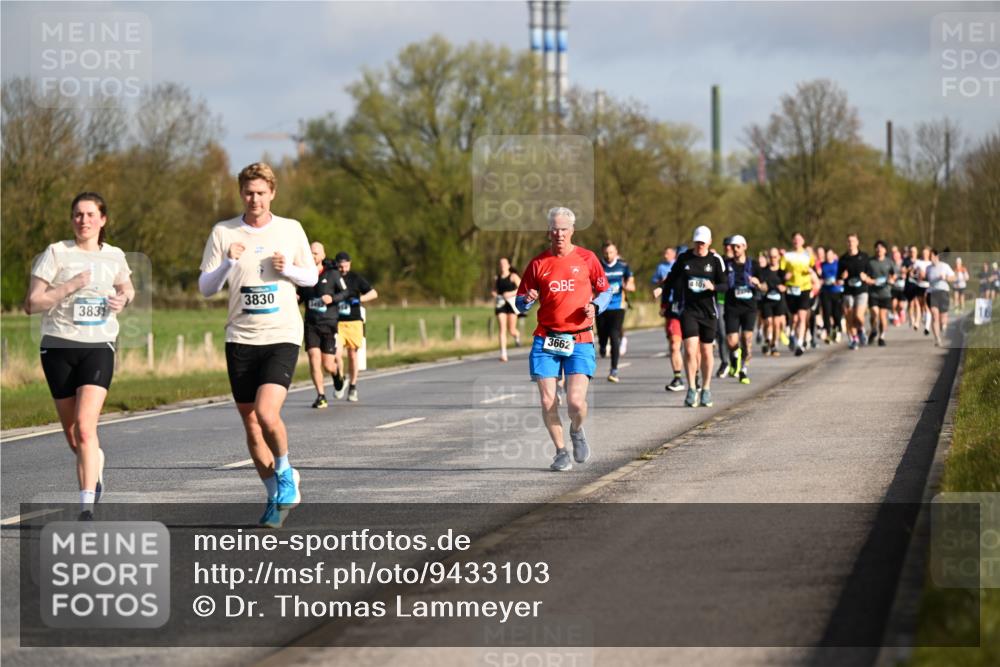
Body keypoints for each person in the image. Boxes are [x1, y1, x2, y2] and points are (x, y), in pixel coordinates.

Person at [199, 162, 315, 528]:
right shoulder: (223, 232)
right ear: (241, 194)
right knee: (251, 425)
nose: (255, 199)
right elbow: (206, 288)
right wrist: (229, 263)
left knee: (267, 413)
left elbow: (310, 276)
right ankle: (272, 499)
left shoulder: (290, 229)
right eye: (249, 192)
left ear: (272, 194)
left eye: (261, 192)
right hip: (240, 337)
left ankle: (285, 472)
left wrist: (289, 270)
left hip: (281, 334)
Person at [25, 193, 135, 521]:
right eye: (77, 214)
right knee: (75, 436)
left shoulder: (114, 256)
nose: (83, 220)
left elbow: (127, 288)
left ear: (102, 220)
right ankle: (94, 464)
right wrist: (68, 286)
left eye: (89, 214)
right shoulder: (57, 254)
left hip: (98, 346)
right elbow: (32, 303)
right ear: (71, 219)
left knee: (87, 428)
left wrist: (123, 299)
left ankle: (86, 506)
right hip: (57, 348)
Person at [515, 206, 610, 472]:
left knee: (575, 402)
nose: (559, 233)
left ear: (572, 230)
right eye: (555, 228)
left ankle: (577, 430)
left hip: (579, 338)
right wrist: (527, 300)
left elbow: (605, 290)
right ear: (548, 231)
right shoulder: (538, 264)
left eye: (564, 228)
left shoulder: (588, 259)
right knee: (548, 401)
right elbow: (519, 303)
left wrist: (596, 306)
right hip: (546, 339)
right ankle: (560, 452)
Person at [663, 226, 727, 408]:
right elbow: (672, 278)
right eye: (697, 242)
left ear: (709, 242)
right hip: (689, 311)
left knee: (706, 351)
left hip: (709, 311)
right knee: (690, 350)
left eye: (703, 242)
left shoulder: (715, 260)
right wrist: (664, 294)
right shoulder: (684, 258)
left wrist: (713, 287)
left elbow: (725, 285)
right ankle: (692, 389)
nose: (699, 245)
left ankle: (706, 389)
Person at [298, 242, 351, 408]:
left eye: (315, 253)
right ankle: (321, 395)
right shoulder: (303, 275)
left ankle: (337, 375)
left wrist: (332, 299)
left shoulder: (333, 274)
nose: (312, 256)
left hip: (328, 323)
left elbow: (346, 292)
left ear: (322, 255)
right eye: (310, 253)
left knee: (328, 364)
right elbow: (298, 295)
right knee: (314, 359)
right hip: (311, 323)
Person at [333, 252, 378, 402]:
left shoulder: (355, 278)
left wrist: (359, 299)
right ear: (336, 265)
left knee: (352, 355)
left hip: (354, 322)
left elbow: (373, 293)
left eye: (345, 266)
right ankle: (340, 380)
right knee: (336, 355)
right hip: (336, 321)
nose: (343, 269)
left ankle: (352, 386)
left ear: (350, 264)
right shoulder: (333, 277)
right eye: (340, 266)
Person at [723, 235, 759, 385]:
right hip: (732, 306)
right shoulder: (726, 264)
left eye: (738, 247)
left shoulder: (754, 265)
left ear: (745, 246)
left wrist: (758, 283)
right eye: (733, 247)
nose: (735, 250)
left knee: (747, 340)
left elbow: (764, 286)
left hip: (749, 307)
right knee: (732, 342)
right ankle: (734, 357)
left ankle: (743, 370)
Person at [597, 242, 635, 382]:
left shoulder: (623, 266)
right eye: (606, 253)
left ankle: (614, 370)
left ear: (616, 252)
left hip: (618, 306)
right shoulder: (598, 265)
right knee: (602, 334)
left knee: (614, 335)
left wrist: (627, 286)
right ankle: (601, 345)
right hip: (601, 306)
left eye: (611, 252)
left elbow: (632, 284)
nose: (608, 255)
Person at [781, 232, 819, 356]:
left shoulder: (808, 255)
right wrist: (784, 277)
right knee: (794, 318)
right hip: (791, 289)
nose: (797, 241)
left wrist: (812, 272)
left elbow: (816, 269)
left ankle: (800, 343)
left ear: (803, 241)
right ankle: (792, 334)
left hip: (805, 288)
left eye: (799, 239)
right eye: (795, 239)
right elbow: (780, 272)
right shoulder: (787, 256)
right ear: (792, 241)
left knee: (802, 317)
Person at [654, 246, 684, 392]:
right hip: (674, 310)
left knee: (693, 350)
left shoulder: (699, 270)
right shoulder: (672, 272)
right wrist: (664, 303)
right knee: (674, 345)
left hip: (694, 311)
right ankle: (677, 378)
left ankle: (696, 377)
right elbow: (665, 285)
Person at [839, 233, 870, 350]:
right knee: (849, 317)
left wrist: (865, 277)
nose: (850, 243)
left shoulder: (864, 257)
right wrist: (842, 276)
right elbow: (838, 277)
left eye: (852, 241)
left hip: (862, 290)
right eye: (848, 241)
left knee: (858, 316)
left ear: (857, 242)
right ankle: (854, 339)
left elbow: (870, 274)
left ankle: (861, 329)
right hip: (848, 291)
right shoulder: (843, 259)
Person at [865, 240, 895, 347]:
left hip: (885, 293)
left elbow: (894, 274)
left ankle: (882, 337)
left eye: (881, 248)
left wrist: (892, 280)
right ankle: (873, 329)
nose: (879, 250)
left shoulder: (889, 262)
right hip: (873, 293)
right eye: (877, 248)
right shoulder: (870, 262)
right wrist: (870, 280)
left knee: (883, 317)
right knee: (874, 313)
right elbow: (866, 275)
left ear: (885, 250)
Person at [759, 248, 789, 356]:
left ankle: (774, 344)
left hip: (779, 301)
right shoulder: (764, 271)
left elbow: (787, 284)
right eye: (771, 257)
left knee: (777, 324)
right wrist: (774, 286)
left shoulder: (782, 271)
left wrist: (785, 287)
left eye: (775, 257)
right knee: (768, 322)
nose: (773, 259)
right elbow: (762, 285)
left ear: (779, 257)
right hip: (767, 301)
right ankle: (767, 339)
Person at [492, 257, 522, 362]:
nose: (502, 265)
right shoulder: (497, 278)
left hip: (512, 304)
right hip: (501, 304)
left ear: (509, 265)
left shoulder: (513, 276)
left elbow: (522, 288)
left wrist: (510, 293)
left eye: (504, 263)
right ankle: (503, 354)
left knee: (511, 329)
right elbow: (494, 291)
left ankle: (517, 335)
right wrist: (495, 295)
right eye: (500, 263)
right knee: (502, 329)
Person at [925, 249, 955, 347]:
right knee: (934, 315)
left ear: (937, 256)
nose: (930, 258)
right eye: (929, 257)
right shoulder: (928, 268)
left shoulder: (944, 266)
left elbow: (953, 277)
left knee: (943, 317)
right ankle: (937, 338)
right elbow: (926, 279)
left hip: (943, 292)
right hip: (932, 293)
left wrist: (945, 277)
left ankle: (943, 327)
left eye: (932, 256)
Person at [819, 248, 843, 343]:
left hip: (837, 291)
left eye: (830, 254)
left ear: (834, 255)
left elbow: (842, 276)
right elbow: (819, 277)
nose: (828, 256)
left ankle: (837, 331)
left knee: (836, 313)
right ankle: (828, 332)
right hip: (825, 291)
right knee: (826, 313)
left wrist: (839, 281)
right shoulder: (822, 265)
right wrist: (821, 280)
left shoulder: (838, 264)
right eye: (827, 254)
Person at [890, 246, 907, 326]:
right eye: (894, 256)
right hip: (894, 287)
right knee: (893, 304)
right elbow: (889, 275)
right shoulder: (891, 264)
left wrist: (904, 274)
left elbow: (908, 272)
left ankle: (902, 311)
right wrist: (892, 278)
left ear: (900, 256)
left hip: (903, 287)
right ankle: (896, 317)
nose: (895, 257)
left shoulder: (904, 263)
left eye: (897, 256)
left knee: (900, 305)